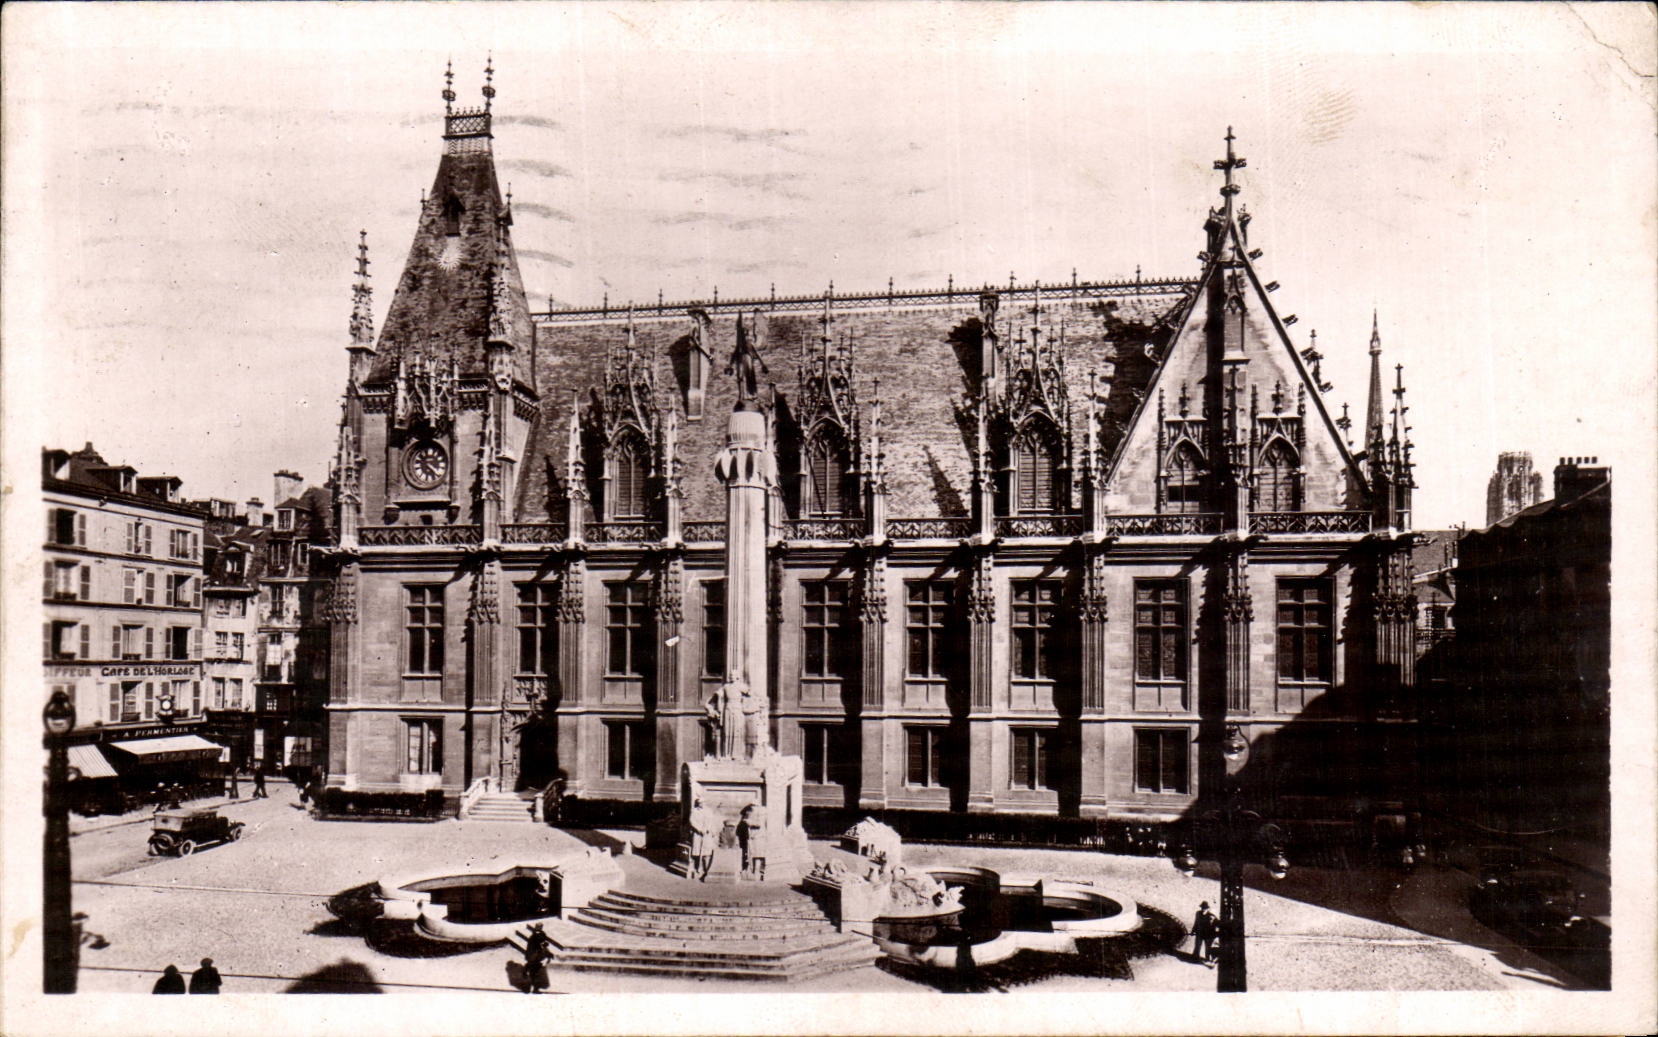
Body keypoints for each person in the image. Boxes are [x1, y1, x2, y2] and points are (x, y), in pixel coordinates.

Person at [687, 798, 715, 881]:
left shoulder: (709, 811)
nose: (701, 804)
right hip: (698, 834)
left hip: (707, 834)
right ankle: (697, 869)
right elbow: (692, 821)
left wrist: (707, 829)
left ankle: (706, 870)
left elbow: (711, 821)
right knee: (697, 852)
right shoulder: (694, 811)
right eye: (699, 803)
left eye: (702, 802)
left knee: (706, 853)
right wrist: (699, 829)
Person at [522, 923, 552, 994]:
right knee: (535, 973)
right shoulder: (537, 936)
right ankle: (534, 989)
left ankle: (526, 970)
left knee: (534, 973)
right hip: (534, 957)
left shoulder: (535, 935)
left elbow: (542, 943)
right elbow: (542, 943)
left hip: (534, 957)